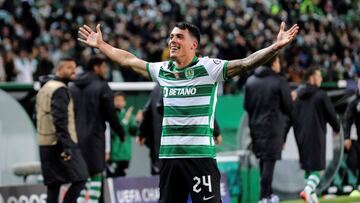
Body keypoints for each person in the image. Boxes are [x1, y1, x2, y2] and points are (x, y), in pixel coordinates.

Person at [78, 21, 298, 203]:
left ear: (194, 45)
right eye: (171, 36)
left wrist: (275, 47)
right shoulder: (162, 70)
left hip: (199, 158)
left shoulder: (209, 68)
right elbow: (128, 60)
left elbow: (244, 64)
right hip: (169, 158)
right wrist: (102, 45)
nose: (173, 40)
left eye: (179, 37)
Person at [69, 56, 125, 203]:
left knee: (82, 178)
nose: (105, 70)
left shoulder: (72, 87)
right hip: (94, 139)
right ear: (96, 68)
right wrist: (120, 132)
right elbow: (111, 114)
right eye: (104, 67)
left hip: (75, 140)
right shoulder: (101, 86)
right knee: (96, 175)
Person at [36, 58, 88, 203]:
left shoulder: (45, 87)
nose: (74, 71)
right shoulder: (60, 89)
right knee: (81, 177)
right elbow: (60, 120)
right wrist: (67, 146)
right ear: (59, 69)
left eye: (75, 67)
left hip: (45, 143)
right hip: (59, 144)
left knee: (54, 185)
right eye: (69, 67)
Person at [244, 55, 292, 203]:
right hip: (273, 128)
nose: (279, 64)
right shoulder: (279, 81)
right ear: (273, 63)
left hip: (255, 128)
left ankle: (268, 195)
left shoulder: (250, 81)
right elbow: (288, 107)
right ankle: (263, 198)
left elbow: (247, 106)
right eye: (278, 61)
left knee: (263, 162)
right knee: (269, 162)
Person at [293, 67, 340, 203]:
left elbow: (289, 117)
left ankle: (312, 196)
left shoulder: (297, 96)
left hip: (300, 136)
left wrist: (284, 136)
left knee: (309, 167)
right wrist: (336, 127)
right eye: (319, 76)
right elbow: (331, 114)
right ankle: (307, 190)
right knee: (318, 168)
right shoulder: (320, 95)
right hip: (316, 135)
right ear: (311, 78)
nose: (321, 79)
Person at [107, 92, 142, 177]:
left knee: (122, 179)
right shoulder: (110, 115)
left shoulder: (128, 115)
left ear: (125, 102)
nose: (119, 102)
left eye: (121, 100)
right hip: (114, 154)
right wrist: (125, 121)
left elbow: (134, 132)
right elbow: (114, 132)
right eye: (117, 100)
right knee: (112, 179)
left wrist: (137, 122)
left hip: (126, 154)